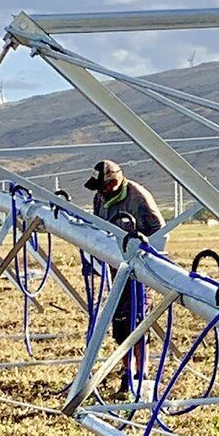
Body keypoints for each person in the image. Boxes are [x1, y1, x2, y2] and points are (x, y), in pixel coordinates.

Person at [84, 159, 165, 393]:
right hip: (116, 267)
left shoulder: (138, 197)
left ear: (114, 182)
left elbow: (159, 232)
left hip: (139, 270)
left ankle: (141, 373)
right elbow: (98, 225)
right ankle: (126, 371)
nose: (100, 192)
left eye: (103, 187)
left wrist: (141, 248)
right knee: (120, 325)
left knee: (137, 322)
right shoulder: (100, 197)